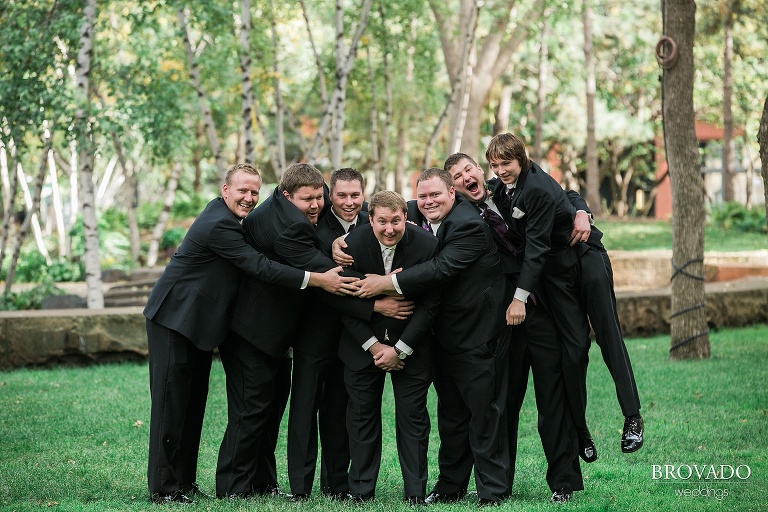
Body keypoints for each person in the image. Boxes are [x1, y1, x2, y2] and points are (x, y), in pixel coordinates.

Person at [143, 163, 355, 504]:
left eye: (254, 191)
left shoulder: (237, 218)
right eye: (242, 190)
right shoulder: (219, 226)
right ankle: (164, 488)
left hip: (201, 324)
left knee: (193, 406)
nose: (249, 197)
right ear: (224, 190)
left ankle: (185, 481)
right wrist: (317, 277)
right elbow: (260, 266)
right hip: (174, 318)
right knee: (170, 407)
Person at [355, 168, 510, 507]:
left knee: (483, 414)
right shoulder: (417, 210)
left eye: (436, 195)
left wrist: (387, 283)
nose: (428, 202)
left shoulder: (468, 224)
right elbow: (385, 210)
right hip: (440, 336)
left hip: (475, 333)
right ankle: (450, 486)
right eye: (422, 196)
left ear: (453, 193)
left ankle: (493, 489)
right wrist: (345, 236)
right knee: (451, 416)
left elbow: (441, 268)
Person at [216, 163, 361, 498]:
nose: (315, 205)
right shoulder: (290, 229)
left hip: (275, 333)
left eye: (318, 197)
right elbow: (332, 278)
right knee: (250, 411)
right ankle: (232, 488)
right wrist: (380, 302)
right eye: (306, 199)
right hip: (251, 330)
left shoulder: (297, 200)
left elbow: (349, 204)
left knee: (268, 410)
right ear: (285, 195)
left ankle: (263, 482)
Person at [446, 152, 582, 502]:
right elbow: (416, 204)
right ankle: (497, 485)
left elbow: (561, 195)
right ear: (452, 187)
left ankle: (563, 483)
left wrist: (583, 210)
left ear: (479, 170)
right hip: (501, 320)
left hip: (541, 309)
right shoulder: (457, 215)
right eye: (456, 177)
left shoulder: (506, 189)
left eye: (468, 170)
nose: (465, 178)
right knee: (502, 403)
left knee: (552, 399)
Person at [287, 168, 414, 501]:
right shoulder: (315, 229)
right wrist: (377, 307)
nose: (348, 202)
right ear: (331, 195)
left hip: (354, 339)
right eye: (341, 195)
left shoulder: (375, 220)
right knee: (305, 408)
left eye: (355, 196)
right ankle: (300, 488)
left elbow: (409, 210)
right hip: (317, 331)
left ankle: (337, 485)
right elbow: (328, 286)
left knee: (340, 411)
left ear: (364, 196)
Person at [338, 191, 439, 505]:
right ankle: (361, 490)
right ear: (371, 220)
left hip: (412, 346)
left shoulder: (426, 246)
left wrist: (400, 349)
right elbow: (343, 301)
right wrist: (374, 346)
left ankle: (415, 492)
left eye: (396, 221)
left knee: (413, 419)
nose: (390, 228)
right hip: (361, 344)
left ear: (405, 218)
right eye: (382, 221)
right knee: (361, 417)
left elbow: (431, 305)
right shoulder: (350, 246)